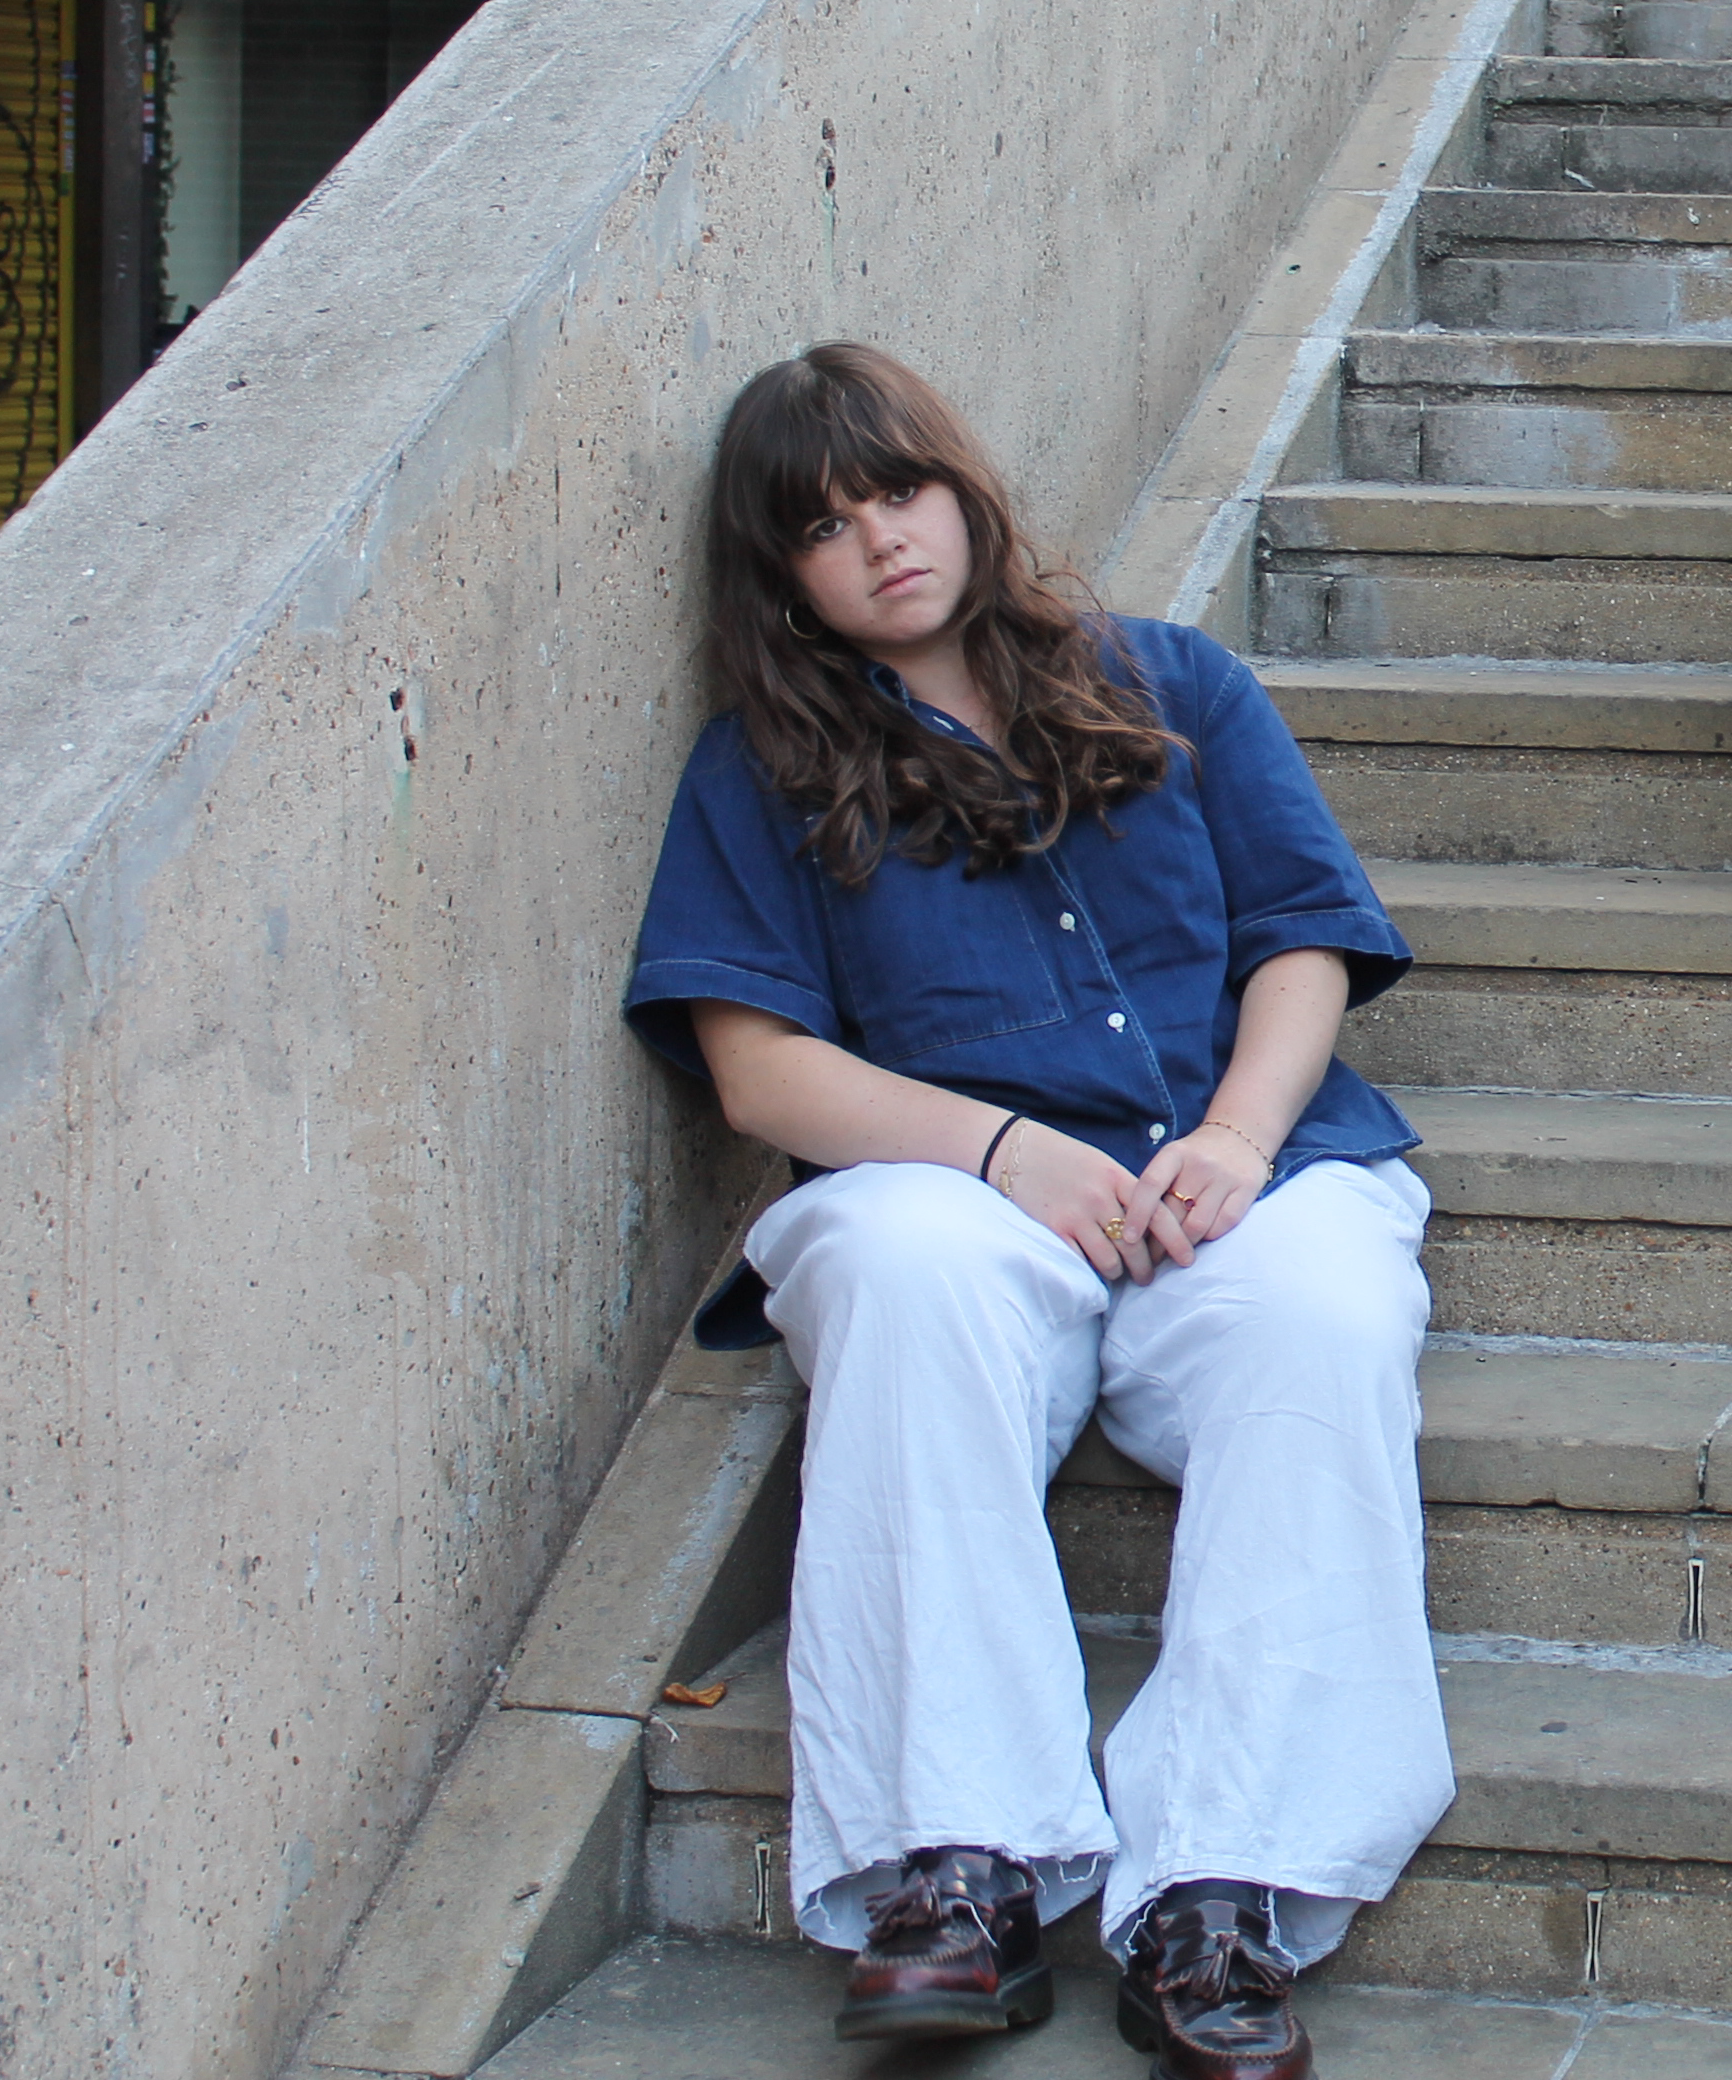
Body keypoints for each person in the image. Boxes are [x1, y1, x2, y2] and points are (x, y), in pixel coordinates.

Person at [626, 342, 1455, 2080]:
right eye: (824, 526)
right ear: (782, 576)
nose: (881, 542)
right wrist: (1004, 1155)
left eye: (900, 492)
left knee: (1324, 1314)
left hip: (1236, 1178)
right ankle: (960, 1870)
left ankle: (1219, 1890)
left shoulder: (1173, 684)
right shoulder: (759, 770)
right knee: (892, 1263)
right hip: (971, 1202)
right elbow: (758, 1072)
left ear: (963, 489)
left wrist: (1237, 1139)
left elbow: (1301, 942)